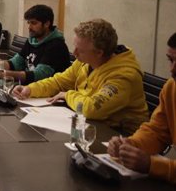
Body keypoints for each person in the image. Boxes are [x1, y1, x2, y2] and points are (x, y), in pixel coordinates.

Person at [12, 18, 149, 133]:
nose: (74, 53)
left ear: (99, 52)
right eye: (75, 46)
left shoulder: (124, 75)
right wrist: (30, 89)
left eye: (80, 50)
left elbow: (92, 108)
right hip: (89, 125)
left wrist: (67, 95)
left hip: (120, 136)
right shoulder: (85, 61)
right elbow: (60, 81)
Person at [107, 33, 176, 182]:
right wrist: (131, 145)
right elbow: (157, 131)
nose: (172, 69)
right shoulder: (172, 87)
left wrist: (152, 165)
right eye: (171, 60)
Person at [0, 5, 70, 84]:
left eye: (34, 23)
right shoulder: (32, 40)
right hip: (28, 88)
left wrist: (4, 74)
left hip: (48, 95)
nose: (29, 27)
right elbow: (15, 63)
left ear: (46, 24)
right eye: (28, 23)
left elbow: (39, 76)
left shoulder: (56, 45)